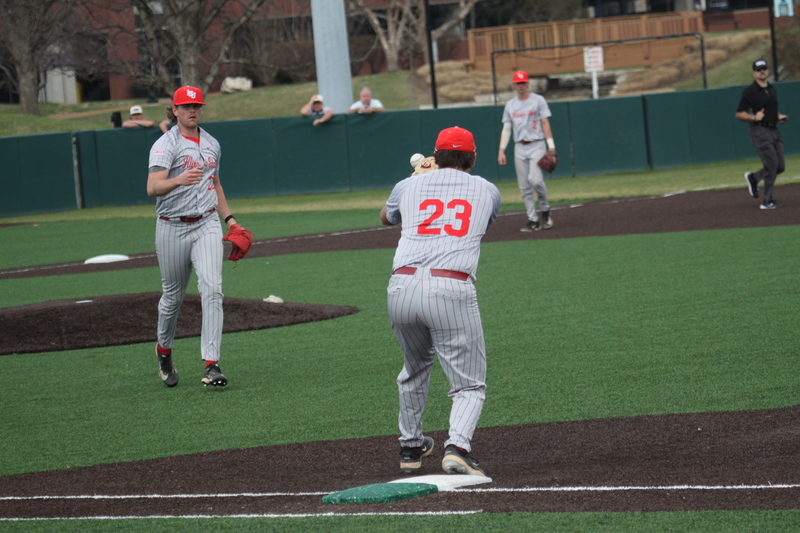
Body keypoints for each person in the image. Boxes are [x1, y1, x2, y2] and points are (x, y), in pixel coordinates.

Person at [380, 126, 501, 478]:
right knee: (469, 384)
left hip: (400, 288)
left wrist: (416, 179)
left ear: (436, 155)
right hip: (450, 288)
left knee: (415, 366)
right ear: (473, 157)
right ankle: (457, 448)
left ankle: (410, 446)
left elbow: (387, 218)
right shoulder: (488, 190)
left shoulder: (407, 185)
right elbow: (474, 223)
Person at [147, 86, 245, 388]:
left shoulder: (212, 143)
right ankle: (164, 350)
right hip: (171, 226)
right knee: (173, 297)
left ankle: (211, 364)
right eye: (186, 106)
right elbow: (152, 187)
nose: (192, 110)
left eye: (197, 105)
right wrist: (178, 180)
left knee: (213, 289)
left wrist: (229, 220)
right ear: (174, 110)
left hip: (206, 224)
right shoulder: (166, 145)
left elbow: (215, 183)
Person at [497, 70, 557, 232]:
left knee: (536, 180)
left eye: (523, 82)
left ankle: (545, 210)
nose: (521, 85)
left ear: (527, 83)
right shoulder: (510, 105)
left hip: (537, 144)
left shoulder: (538, 100)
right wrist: (501, 150)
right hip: (519, 147)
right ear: (514, 85)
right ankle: (533, 220)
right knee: (524, 186)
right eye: (518, 83)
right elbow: (507, 128)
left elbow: (545, 123)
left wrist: (551, 146)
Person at [736, 59, 789, 210]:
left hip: (773, 129)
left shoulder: (771, 89)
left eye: (764, 69)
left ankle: (754, 178)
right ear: (754, 73)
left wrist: (778, 116)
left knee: (780, 166)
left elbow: (771, 109)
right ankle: (767, 201)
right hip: (759, 130)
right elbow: (739, 114)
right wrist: (753, 117)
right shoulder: (750, 92)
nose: (762, 72)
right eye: (759, 70)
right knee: (772, 165)